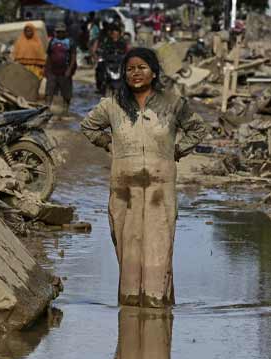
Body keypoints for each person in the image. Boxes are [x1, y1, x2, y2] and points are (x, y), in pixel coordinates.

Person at [80, 48, 209, 308]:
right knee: (128, 249)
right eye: (130, 69)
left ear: (153, 72)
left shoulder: (173, 103)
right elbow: (88, 126)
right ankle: (129, 309)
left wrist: (177, 150)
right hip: (124, 190)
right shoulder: (113, 104)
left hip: (160, 191)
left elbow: (198, 128)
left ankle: (156, 306)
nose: (136, 73)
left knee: (159, 248)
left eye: (142, 68)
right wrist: (110, 145)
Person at [45, 23, 76, 114]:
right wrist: (46, 69)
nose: (60, 34)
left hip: (65, 71)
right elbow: (48, 56)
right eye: (58, 32)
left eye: (62, 32)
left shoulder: (70, 42)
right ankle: (47, 108)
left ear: (65, 32)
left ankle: (65, 109)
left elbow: (73, 57)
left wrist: (69, 69)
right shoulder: (52, 42)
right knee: (49, 91)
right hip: (53, 71)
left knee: (66, 92)